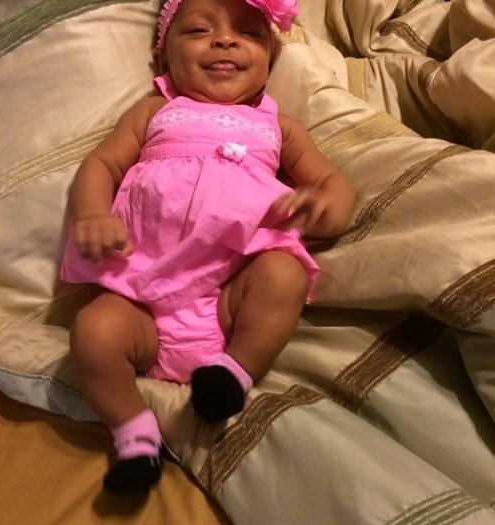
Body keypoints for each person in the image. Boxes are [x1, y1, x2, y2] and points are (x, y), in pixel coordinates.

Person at [61, 0, 356, 494]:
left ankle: (235, 372)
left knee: (283, 273)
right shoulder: (155, 110)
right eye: (199, 30)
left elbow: (331, 182)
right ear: (163, 56)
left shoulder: (278, 125)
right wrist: (91, 215)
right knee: (93, 331)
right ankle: (134, 434)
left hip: (230, 298)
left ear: (270, 58)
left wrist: (326, 207)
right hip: (144, 301)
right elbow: (102, 163)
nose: (224, 40)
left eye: (249, 33)